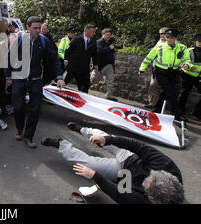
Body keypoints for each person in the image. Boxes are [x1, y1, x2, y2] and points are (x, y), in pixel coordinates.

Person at [41, 122, 184, 204]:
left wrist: (95, 176)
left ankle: (60, 144)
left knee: (90, 165)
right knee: (102, 138)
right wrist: (107, 140)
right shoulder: (167, 165)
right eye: (148, 179)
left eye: (145, 187)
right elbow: (137, 146)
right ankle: (82, 130)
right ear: (161, 173)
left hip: (125, 176)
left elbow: (119, 194)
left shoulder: (143, 202)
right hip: (132, 157)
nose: (143, 183)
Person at [7, 16, 65, 148]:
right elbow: (9, 57)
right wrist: (8, 77)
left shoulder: (44, 41)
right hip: (19, 79)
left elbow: (54, 59)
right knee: (18, 107)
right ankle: (19, 129)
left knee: (35, 109)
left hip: (35, 80)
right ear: (28, 28)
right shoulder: (19, 40)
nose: (38, 30)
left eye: (39, 28)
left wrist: (59, 77)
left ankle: (29, 136)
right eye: (35, 28)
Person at [139, 28, 190, 121]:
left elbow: (186, 59)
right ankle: (176, 116)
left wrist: (186, 65)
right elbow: (149, 58)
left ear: (175, 38)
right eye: (167, 37)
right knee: (172, 94)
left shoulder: (182, 47)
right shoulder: (160, 47)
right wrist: (142, 69)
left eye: (171, 37)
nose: (168, 39)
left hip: (173, 73)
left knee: (165, 94)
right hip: (160, 72)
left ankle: (156, 109)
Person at [64, 24, 99, 93]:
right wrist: (66, 60)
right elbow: (67, 50)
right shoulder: (77, 39)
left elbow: (95, 54)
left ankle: (83, 98)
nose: (94, 33)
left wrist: (96, 64)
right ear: (86, 31)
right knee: (65, 81)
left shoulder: (93, 42)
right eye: (92, 31)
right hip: (73, 66)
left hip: (84, 67)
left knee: (85, 85)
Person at [177, 33, 201, 121]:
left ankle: (197, 113)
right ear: (196, 42)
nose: (200, 43)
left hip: (198, 77)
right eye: (199, 42)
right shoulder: (189, 50)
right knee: (184, 94)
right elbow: (184, 61)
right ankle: (179, 114)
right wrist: (189, 66)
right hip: (187, 75)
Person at [92, 28, 118, 101]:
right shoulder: (99, 42)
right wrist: (109, 48)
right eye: (107, 35)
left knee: (110, 80)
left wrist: (114, 49)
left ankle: (109, 96)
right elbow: (99, 51)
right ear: (103, 35)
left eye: (109, 35)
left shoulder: (111, 41)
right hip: (100, 65)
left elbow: (113, 50)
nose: (108, 36)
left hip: (109, 64)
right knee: (94, 80)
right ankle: (84, 88)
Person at [146, 27, 169, 108]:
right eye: (160, 34)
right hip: (156, 68)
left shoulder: (174, 43)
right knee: (153, 86)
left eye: (163, 33)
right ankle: (152, 103)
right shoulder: (159, 42)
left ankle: (161, 106)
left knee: (167, 89)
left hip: (168, 70)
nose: (161, 35)